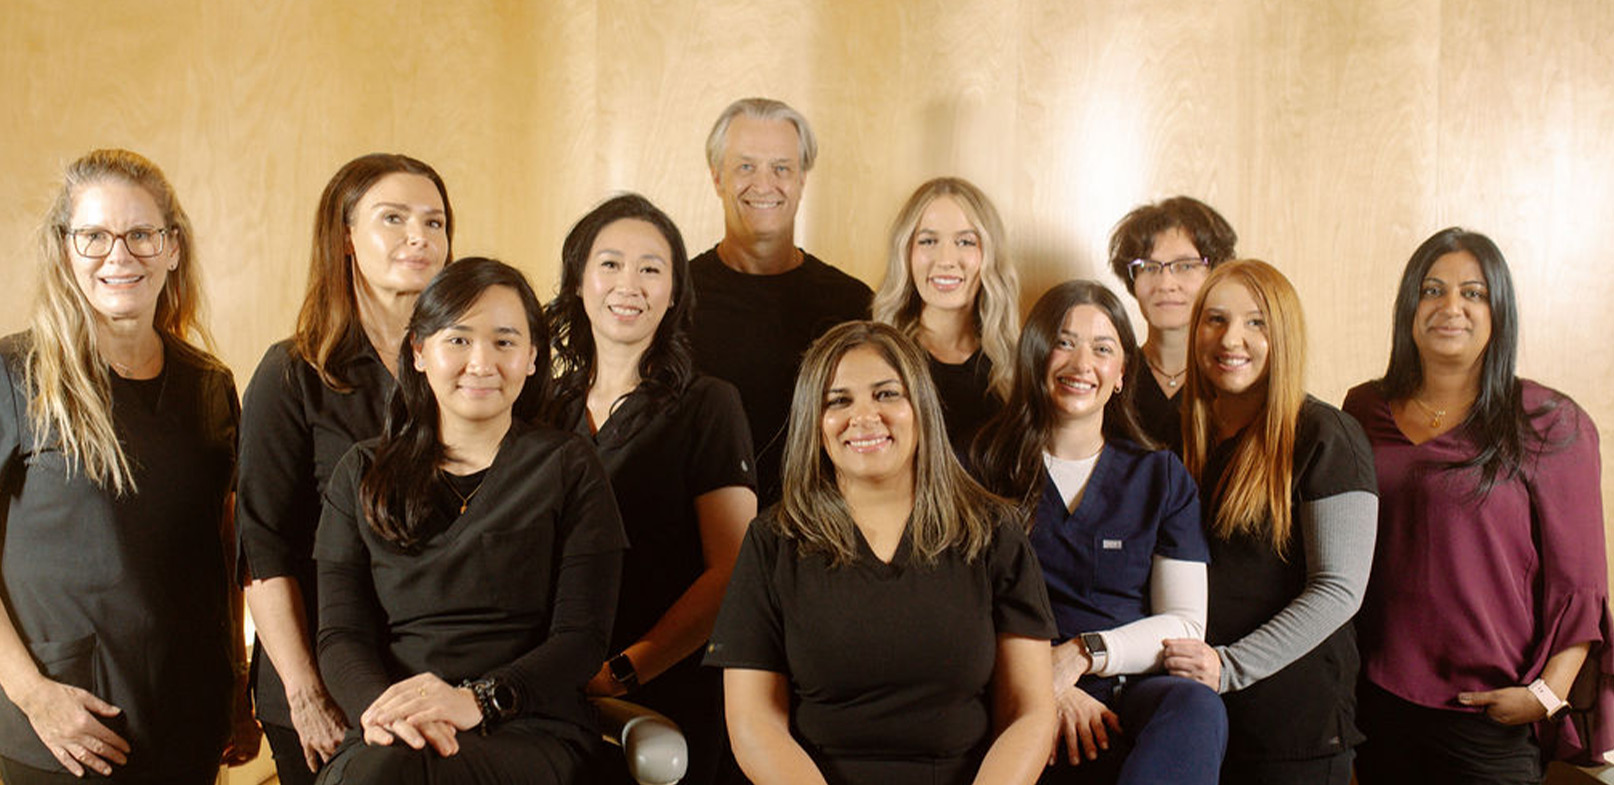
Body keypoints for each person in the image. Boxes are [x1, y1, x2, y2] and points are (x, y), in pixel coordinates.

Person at [314, 258, 625, 783]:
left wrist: (477, 700)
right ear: (419, 352)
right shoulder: (361, 472)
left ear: (531, 358)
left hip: (530, 727)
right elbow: (340, 635)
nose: (481, 362)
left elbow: (582, 638)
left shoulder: (569, 465)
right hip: (395, 731)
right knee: (387, 769)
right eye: (457, 340)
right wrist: (389, 714)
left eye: (504, 342)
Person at [706, 320, 1057, 785]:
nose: (864, 416)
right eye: (838, 401)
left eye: (887, 394)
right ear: (816, 420)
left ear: (921, 408)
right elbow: (754, 723)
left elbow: (1029, 714)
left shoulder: (994, 534)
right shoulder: (773, 541)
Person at [0, 149, 254, 782]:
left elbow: (225, 551)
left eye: (141, 234)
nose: (120, 256)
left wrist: (238, 685)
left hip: (189, 715)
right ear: (65, 250)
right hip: (64, 726)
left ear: (172, 248)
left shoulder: (210, 386)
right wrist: (34, 695)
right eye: (94, 236)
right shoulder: (13, 375)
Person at [1343, 228, 1608, 784]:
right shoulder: (1363, 408)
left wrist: (1544, 696)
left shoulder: (1548, 422)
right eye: (1432, 290)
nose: (1451, 307)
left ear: (1499, 311)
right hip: (1379, 705)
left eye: (1474, 293)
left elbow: (1580, 587)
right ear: (1409, 307)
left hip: (1491, 718)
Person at [236, 153, 453, 785]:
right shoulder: (291, 375)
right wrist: (305, 693)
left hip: (429, 681)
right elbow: (263, 551)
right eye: (394, 218)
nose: (420, 236)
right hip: (323, 686)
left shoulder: (459, 368)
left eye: (435, 222)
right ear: (345, 238)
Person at [972, 281, 1225, 784]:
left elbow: (1184, 625)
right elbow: (952, 603)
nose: (1081, 363)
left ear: (1120, 374)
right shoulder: (980, 465)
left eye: (1102, 348)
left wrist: (1082, 655)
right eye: (1064, 342)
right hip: (1007, 683)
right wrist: (1044, 680)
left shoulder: (1160, 476)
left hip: (1127, 683)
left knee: (1195, 706)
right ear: (1036, 355)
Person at [544, 193, 757, 784]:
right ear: (579, 281)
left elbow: (731, 572)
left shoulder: (709, 405)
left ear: (674, 292)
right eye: (610, 264)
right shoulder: (538, 406)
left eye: (651, 269)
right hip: (550, 698)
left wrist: (622, 672)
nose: (628, 284)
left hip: (668, 692)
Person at [1161, 259, 1377, 785]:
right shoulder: (1178, 431)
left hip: (1292, 731)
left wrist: (1228, 667)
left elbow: (1339, 590)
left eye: (1256, 322)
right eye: (1215, 320)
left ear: (1282, 335)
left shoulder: (1326, 436)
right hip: (1194, 719)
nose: (1231, 338)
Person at [689, 97, 873, 506]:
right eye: (745, 166)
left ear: (802, 179)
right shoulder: (673, 299)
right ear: (717, 177)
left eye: (781, 168)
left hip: (823, 538)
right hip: (700, 546)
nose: (764, 184)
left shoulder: (852, 305)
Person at [873, 177, 1020, 452]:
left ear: (990, 255)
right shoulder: (877, 355)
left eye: (965, 242)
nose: (946, 260)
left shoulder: (1016, 366)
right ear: (906, 253)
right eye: (928, 241)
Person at [1105, 197, 1237, 452]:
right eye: (1148, 267)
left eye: (1185, 266)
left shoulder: (1234, 378)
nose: (1165, 284)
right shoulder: (1110, 377)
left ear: (1215, 273)